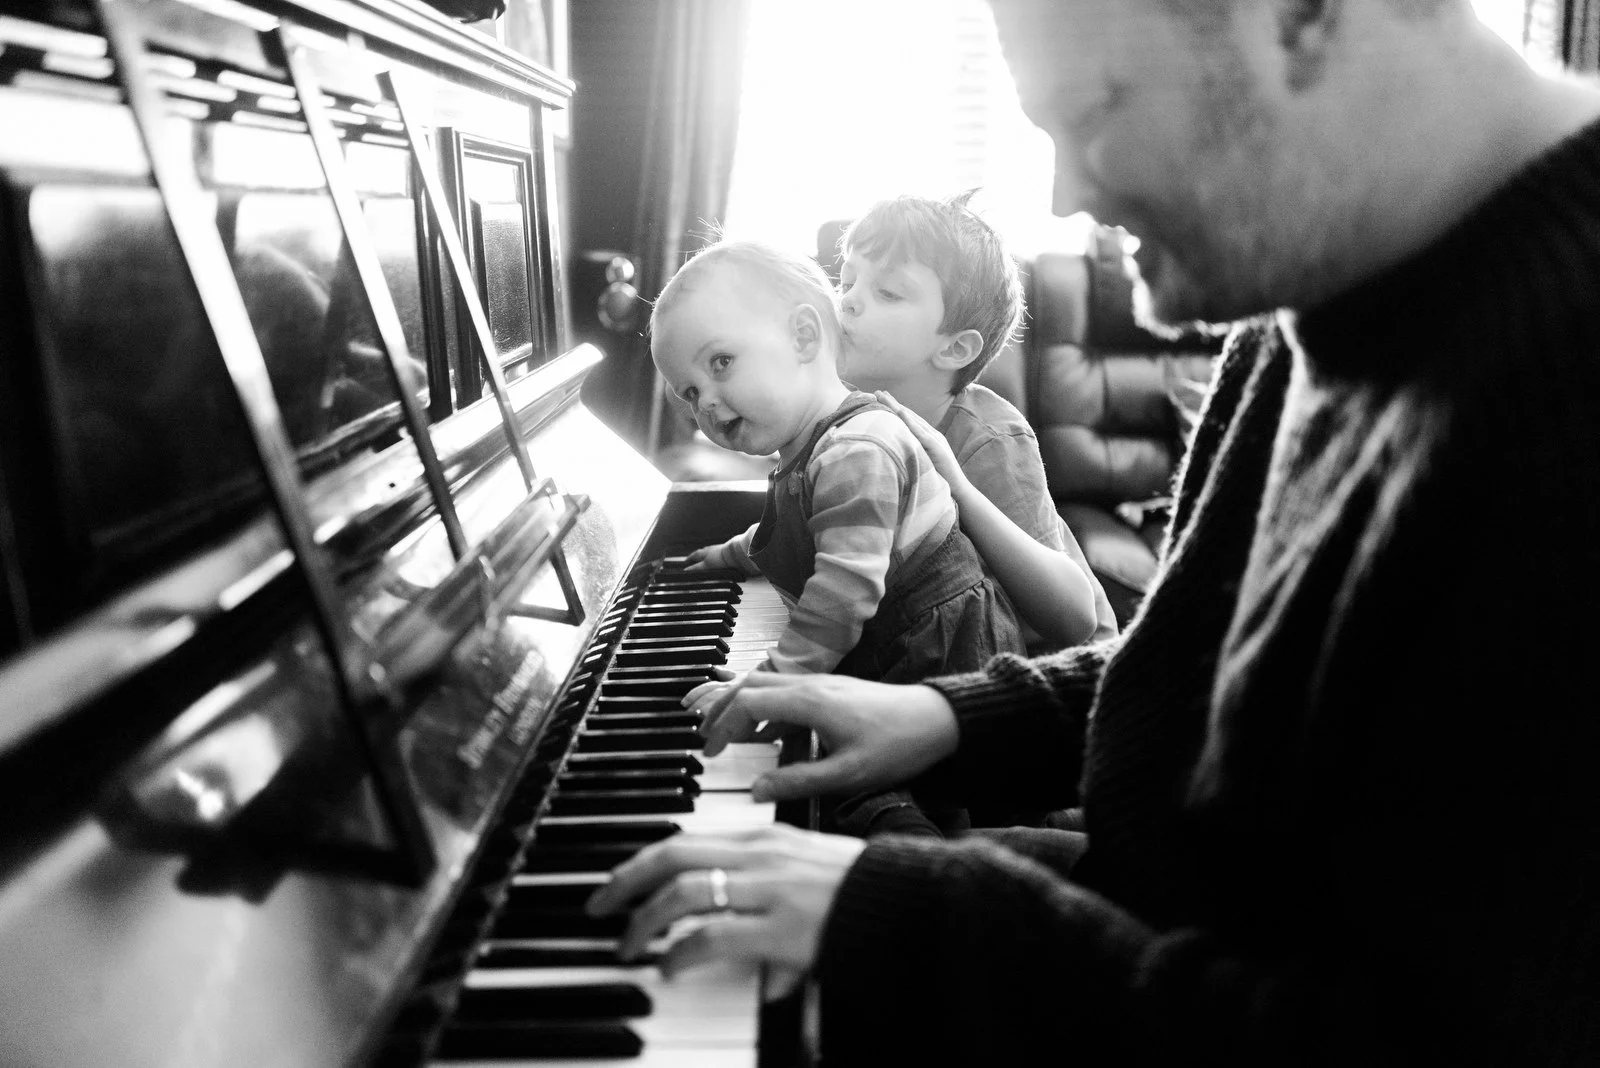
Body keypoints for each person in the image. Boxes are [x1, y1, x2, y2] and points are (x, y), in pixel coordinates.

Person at [589, 0, 1600, 1063]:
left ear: (1301, 16)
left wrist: (909, 914)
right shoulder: (1320, 282)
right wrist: (950, 715)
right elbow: (1211, 675)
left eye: (1093, 111)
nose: (1066, 195)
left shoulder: (1563, 400)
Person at [653, 239, 1023, 685]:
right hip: (898, 649)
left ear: (803, 337)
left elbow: (843, 592)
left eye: (721, 362)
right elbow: (809, 530)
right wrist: (734, 553)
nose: (707, 403)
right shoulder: (818, 445)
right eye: (690, 392)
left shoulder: (857, 449)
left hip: (944, 661)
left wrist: (775, 682)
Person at [835, 192, 1112, 647]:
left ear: (954, 348)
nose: (847, 301)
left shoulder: (988, 438)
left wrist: (958, 489)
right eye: (846, 281)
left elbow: (1075, 619)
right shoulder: (848, 417)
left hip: (1053, 669)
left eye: (887, 292)